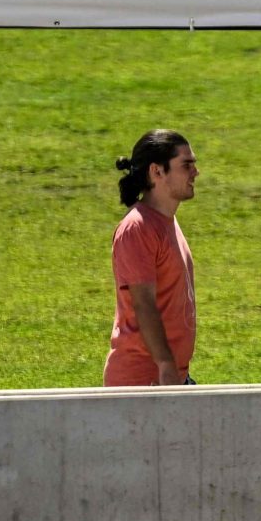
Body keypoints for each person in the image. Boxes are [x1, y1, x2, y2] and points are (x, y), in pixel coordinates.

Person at [105, 129, 201, 388]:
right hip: (143, 383)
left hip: (170, 378)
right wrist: (166, 366)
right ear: (157, 171)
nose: (196, 172)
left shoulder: (167, 222)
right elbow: (143, 304)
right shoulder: (138, 228)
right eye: (186, 165)